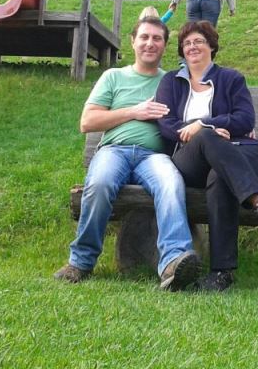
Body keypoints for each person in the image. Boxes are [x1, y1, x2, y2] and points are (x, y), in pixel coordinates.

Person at [55, 15, 202, 291]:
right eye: (144, 37)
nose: (150, 43)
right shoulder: (113, 77)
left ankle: (174, 263)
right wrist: (135, 111)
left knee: (171, 184)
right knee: (100, 183)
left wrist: (234, 127)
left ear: (165, 45)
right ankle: (81, 262)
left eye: (157, 38)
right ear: (133, 42)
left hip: (154, 156)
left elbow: (200, 111)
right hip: (114, 151)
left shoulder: (173, 82)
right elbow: (87, 122)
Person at [154, 21, 258, 292]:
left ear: (211, 46)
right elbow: (166, 124)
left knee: (220, 176)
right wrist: (203, 129)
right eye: (187, 43)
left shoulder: (231, 79)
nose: (192, 47)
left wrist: (206, 124)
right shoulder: (171, 82)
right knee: (205, 137)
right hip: (191, 159)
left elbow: (245, 119)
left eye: (199, 41)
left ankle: (221, 274)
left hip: (241, 152)